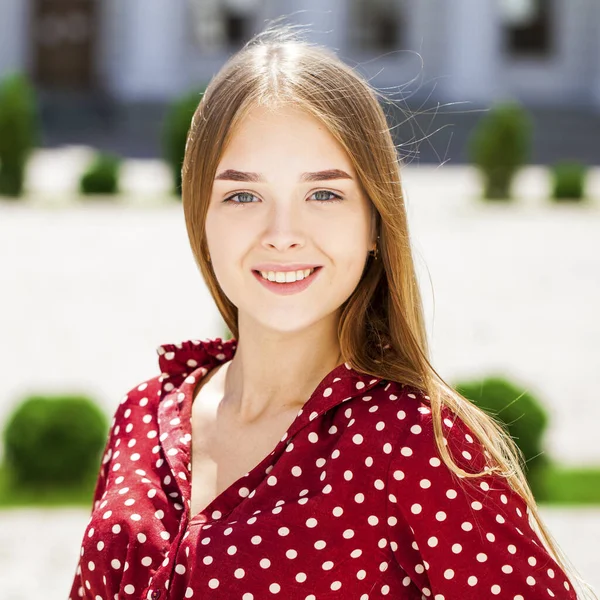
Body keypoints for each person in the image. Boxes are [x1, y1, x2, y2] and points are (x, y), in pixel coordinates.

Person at [69, 24, 593, 600]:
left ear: (374, 222)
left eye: (324, 194)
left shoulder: (415, 443)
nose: (283, 235)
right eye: (243, 195)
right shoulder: (144, 416)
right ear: (202, 219)